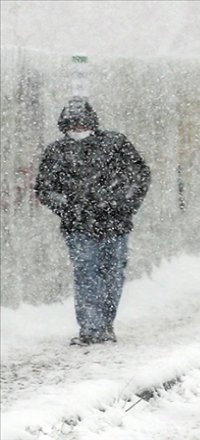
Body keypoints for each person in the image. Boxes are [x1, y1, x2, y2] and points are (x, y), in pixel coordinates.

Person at [35, 98, 151, 346]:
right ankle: (90, 328)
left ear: (92, 123)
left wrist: (122, 203)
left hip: (115, 223)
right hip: (78, 225)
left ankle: (105, 324)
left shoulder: (115, 144)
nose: (78, 129)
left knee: (112, 275)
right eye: (72, 125)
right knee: (86, 273)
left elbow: (139, 176)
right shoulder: (56, 152)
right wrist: (70, 206)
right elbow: (45, 189)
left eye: (82, 123)